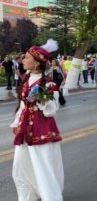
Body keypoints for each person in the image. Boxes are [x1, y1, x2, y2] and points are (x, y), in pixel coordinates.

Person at [10, 39, 64, 201]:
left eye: (27, 57)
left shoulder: (48, 84)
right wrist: (16, 122)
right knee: (20, 167)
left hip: (42, 129)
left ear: (37, 63)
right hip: (25, 129)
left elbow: (53, 110)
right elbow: (22, 105)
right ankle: (28, 197)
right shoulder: (26, 80)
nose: (23, 60)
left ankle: (50, 197)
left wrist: (43, 101)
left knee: (43, 167)